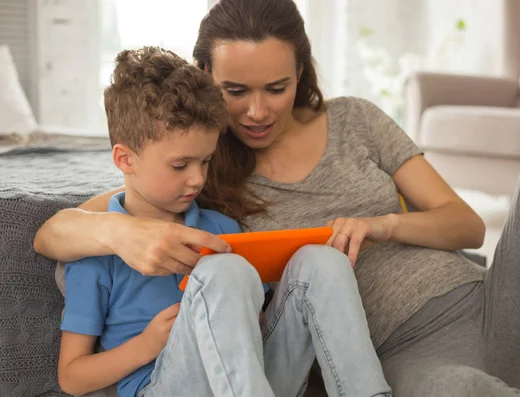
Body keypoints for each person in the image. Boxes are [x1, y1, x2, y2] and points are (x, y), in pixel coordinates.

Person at [34, 0, 520, 396]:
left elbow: (469, 226)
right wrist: (123, 234)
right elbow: (54, 231)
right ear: (206, 78)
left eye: (276, 88)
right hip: (397, 356)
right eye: (235, 91)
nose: (257, 111)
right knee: (458, 390)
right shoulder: (200, 175)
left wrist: (384, 224)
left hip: (489, 307)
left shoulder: (356, 119)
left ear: (300, 72)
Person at [55, 46, 391, 397]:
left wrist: (243, 313)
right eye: (180, 165)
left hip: (252, 378)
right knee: (223, 270)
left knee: (323, 261)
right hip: (162, 385)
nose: (197, 180)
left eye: (205, 161)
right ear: (125, 159)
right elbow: (72, 377)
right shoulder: (97, 251)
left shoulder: (221, 227)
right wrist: (146, 345)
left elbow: (254, 332)